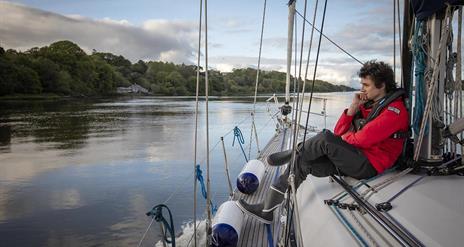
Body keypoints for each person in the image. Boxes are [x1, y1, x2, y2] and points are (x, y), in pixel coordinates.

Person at [236, 60, 409, 224]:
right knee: (303, 162)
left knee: (325, 138)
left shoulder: (394, 111)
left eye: (366, 85)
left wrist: (340, 140)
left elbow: (361, 139)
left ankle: (294, 151)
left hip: (368, 164)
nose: (362, 89)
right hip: (355, 158)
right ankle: (267, 210)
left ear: (382, 85)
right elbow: (340, 131)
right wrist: (353, 108)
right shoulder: (369, 106)